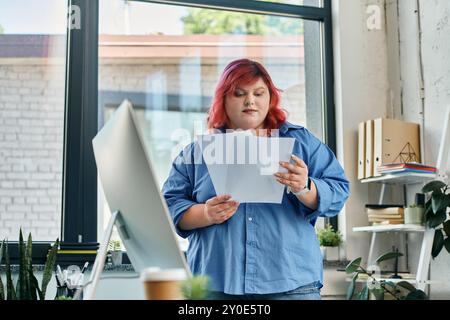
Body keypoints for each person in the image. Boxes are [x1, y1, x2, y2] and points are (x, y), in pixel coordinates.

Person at [162, 58, 349, 300]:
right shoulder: (196, 153)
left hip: (290, 283)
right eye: (239, 93)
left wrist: (305, 187)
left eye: (259, 93)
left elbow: (339, 190)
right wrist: (205, 214)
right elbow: (168, 207)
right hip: (216, 284)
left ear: (270, 98)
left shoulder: (302, 143)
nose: (250, 101)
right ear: (223, 100)